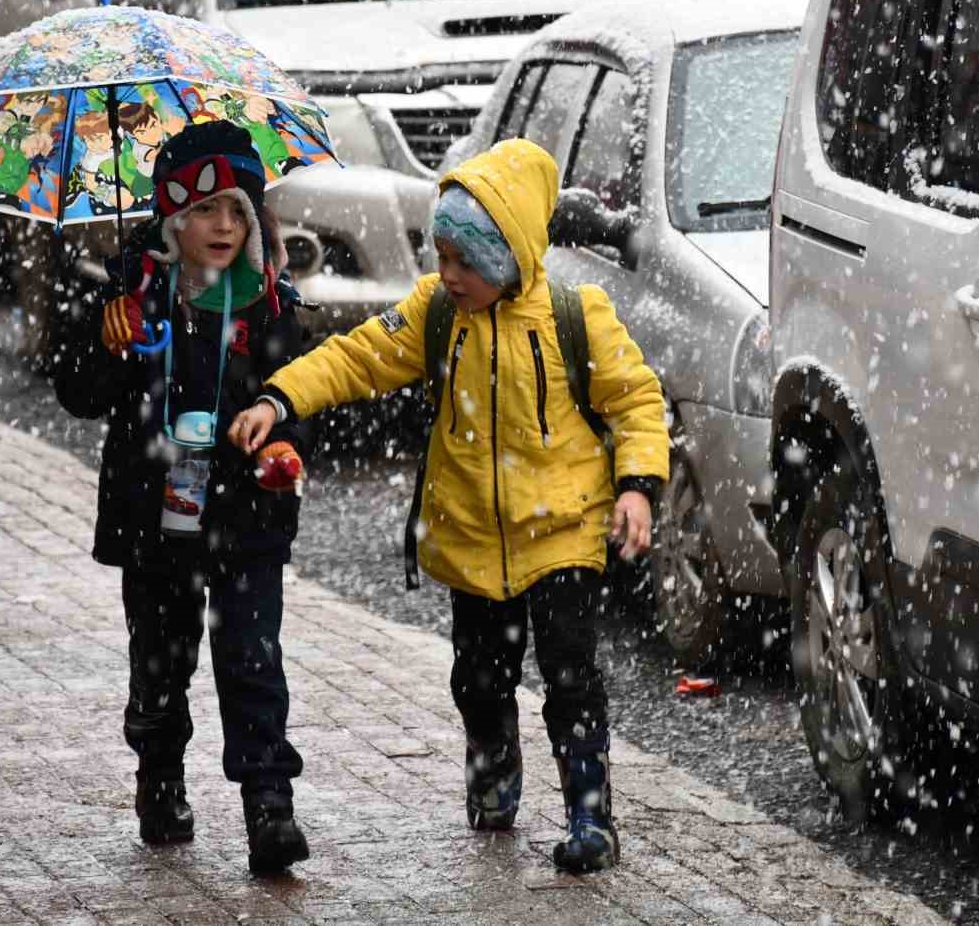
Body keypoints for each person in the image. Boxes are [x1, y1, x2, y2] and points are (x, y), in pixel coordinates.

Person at [228, 138, 668, 872]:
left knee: (571, 677)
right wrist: (282, 395)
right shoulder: (437, 313)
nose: (449, 275)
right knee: (479, 678)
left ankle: (591, 817)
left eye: (466, 262)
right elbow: (358, 356)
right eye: (442, 256)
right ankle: (494, 773)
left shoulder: (574, 317)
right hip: (469, 538)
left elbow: (637, 400)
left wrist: (636, 486)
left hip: (563, 531)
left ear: (509, 258)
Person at [53, 120, 312, 873]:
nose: (222, 227)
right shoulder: (135, 298)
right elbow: (78, 392)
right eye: (205, 211)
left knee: (253, 661)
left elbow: (298, 397)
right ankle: (159, 776)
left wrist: (286, 448)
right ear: (173, 219)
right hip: (154, 517)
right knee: (162, 662)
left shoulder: (270, 304)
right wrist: (102, 341)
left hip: (246, 518)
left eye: (237, 211)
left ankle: (269, 806)